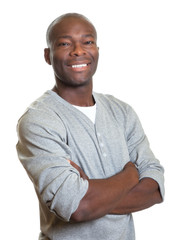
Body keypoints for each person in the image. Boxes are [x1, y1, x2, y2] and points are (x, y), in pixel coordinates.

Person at [16, 13, 164, 240]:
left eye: (87, 42)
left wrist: (91, 196)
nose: (78, 50)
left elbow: (155, 189)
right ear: (48, 55)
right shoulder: (39, 120)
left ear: (97, 50)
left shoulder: (122, 112)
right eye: (65, 43)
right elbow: (77, 207)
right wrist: (131, 174)